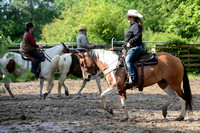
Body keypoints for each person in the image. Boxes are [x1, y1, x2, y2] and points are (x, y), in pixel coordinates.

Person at [123, 9, 145, 86]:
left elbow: (138, 36)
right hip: (132, 47)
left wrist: (130, 42)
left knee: (128, 60)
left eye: (128, 17)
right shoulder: (133, 26)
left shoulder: (136, 26)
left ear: (131, 17)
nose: (127, 18)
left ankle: (134, 79)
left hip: (136, 47)